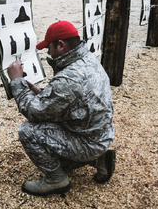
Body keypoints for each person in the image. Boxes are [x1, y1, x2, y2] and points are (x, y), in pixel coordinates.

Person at [7, 20, 115, 197]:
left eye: (49, 47)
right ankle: (98, 158)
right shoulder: (87, 59)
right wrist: (42, 93)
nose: (48, 52)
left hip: (88, 141)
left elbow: (34, 112)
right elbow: (73, 100)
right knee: (50, 131)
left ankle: (56, 179)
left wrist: (16, 81)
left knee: (27, 131)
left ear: (61, 45)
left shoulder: (68, 78)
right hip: (100, 135)